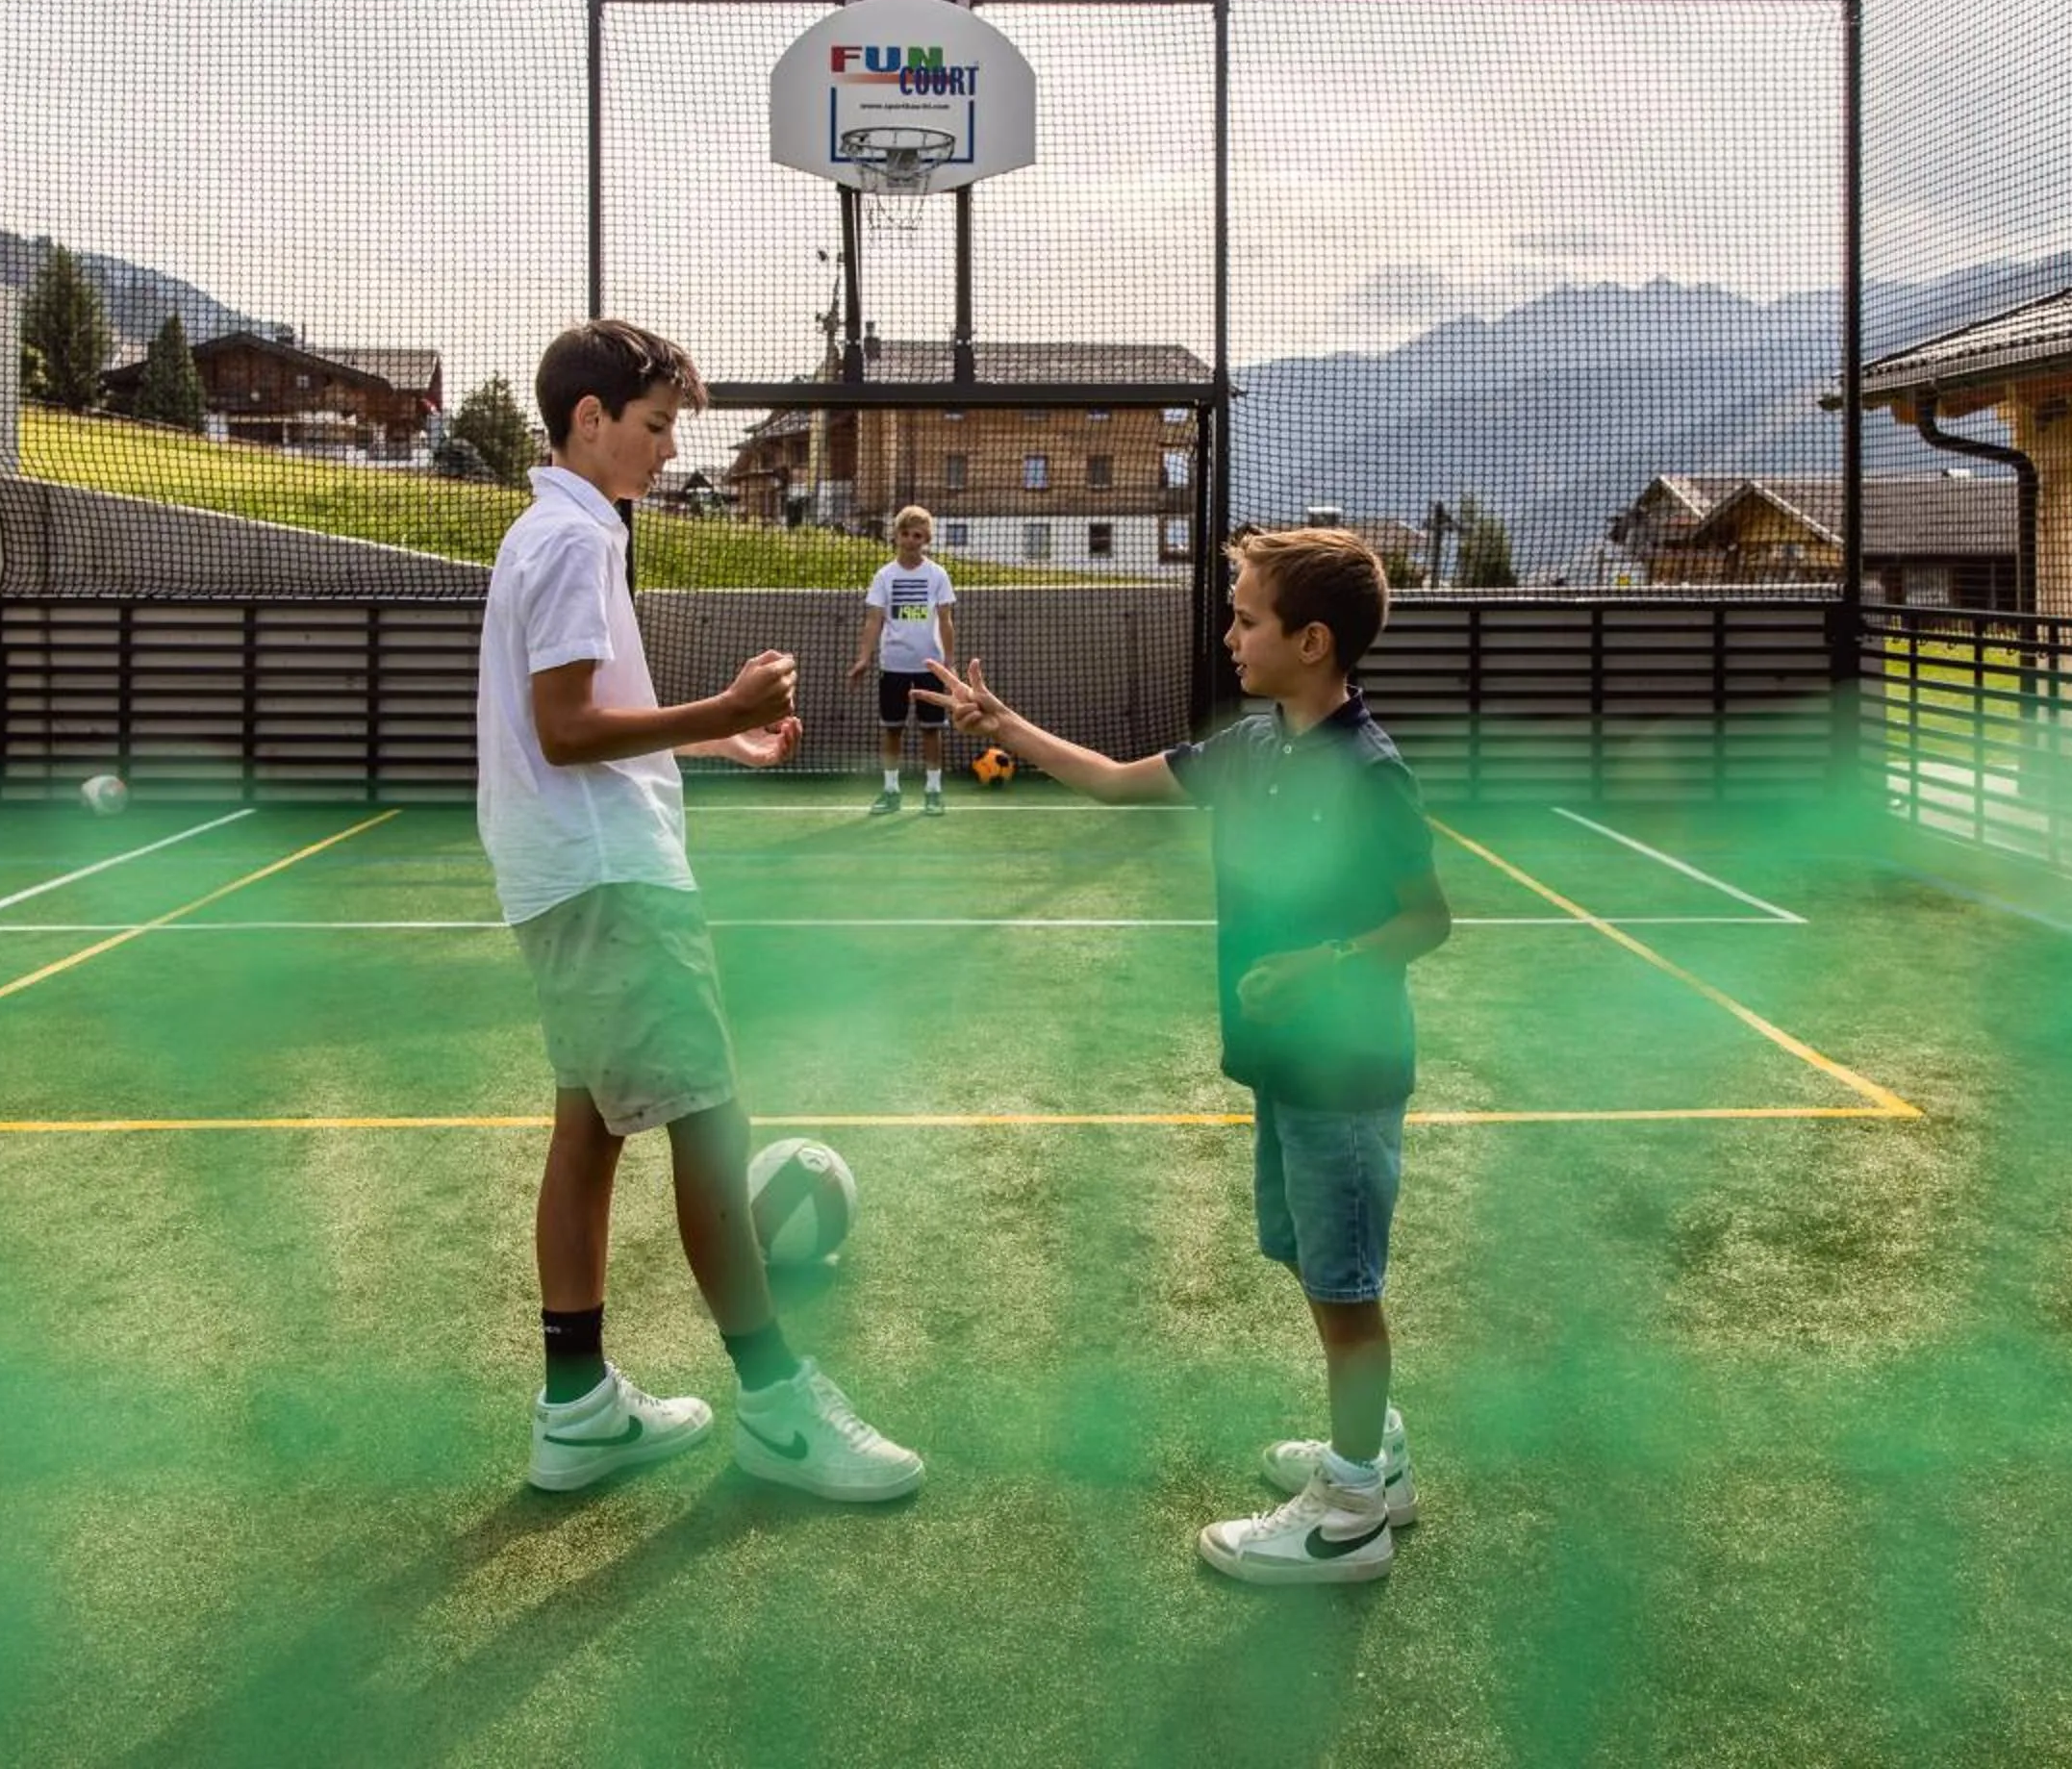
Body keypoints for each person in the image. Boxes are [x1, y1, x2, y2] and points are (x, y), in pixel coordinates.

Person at [923, 525, 1450, 1583]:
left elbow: (1425, 919)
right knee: (1311, 1260)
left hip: (1345, 1073)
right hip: (1282, 1066)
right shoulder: (1254, 749)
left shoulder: (1368, 773)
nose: (1229, 636)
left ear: (1311, 641)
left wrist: (1323, 966)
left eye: (1246, 620)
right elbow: (1118, 782)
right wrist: (1006, 727)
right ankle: (1375, 1447)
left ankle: (1352, 1510)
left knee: (1347, 1289)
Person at [480, 318, 924, 1504]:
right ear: (589, 420)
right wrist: (721, 706)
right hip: (611, 878)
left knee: (589, 1127)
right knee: (712, 1126)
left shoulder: (558, 530)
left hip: (566, 872)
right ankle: (777, 1407)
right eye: (656, 425)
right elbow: (565, 729)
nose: (670, 449)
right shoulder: (573, 538)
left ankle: (577, 1407)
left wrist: (718, 737)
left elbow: (578, 721)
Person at [847, 505, 959, 816]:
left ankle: (933, 792)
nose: (910, 540)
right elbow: (873, 620)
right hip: (893, 666)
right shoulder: (884, 576)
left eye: (917, 535)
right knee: (892, 729)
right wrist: (863, 659)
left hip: (930, 667)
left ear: (926, 540)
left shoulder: (938, 575)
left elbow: (946, 621)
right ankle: (891, 791)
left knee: (931, 729)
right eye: (905, 534)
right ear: (896, 535)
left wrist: (949, 663)